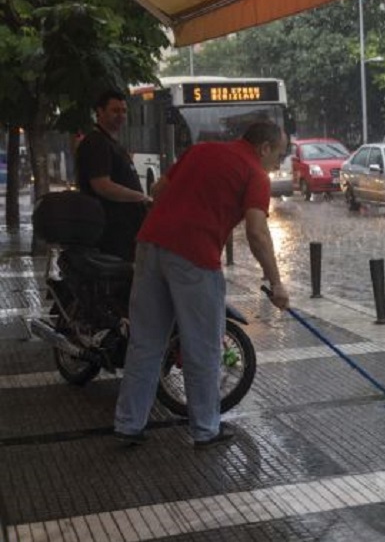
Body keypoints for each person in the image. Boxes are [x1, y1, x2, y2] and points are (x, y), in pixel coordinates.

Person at [113, 120, 291, 448]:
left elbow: (158, 191)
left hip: (150, 245)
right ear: (264, 148)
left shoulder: (201, 150)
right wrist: (276, 282)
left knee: (146, 342)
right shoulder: (255, 174)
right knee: (204, 347)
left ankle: (128, 424)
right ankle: (206, 429)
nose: (278, 164)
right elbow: (257, 231)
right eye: (278, 156)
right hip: (195, 256)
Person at [76, 90, 150, 261]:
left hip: (122, 233)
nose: (121, 116)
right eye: (115, 111)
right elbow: (102, 185)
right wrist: (141, 198)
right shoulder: (97, 143)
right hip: (112, 234)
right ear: (100, 112)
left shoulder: (109, 142)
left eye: (124, 111)